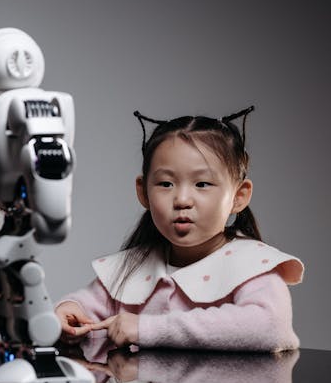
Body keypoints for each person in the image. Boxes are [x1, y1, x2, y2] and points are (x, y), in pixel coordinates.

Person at [55, 106, 303, 352]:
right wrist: (68, 311)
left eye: (202, 184)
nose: (182, 199)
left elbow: (268, 327)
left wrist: (148, 329)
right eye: (166, 183)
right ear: (143, 192)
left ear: (239, 195)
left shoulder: (253, 265)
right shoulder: (132, 265)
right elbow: (86, 305)